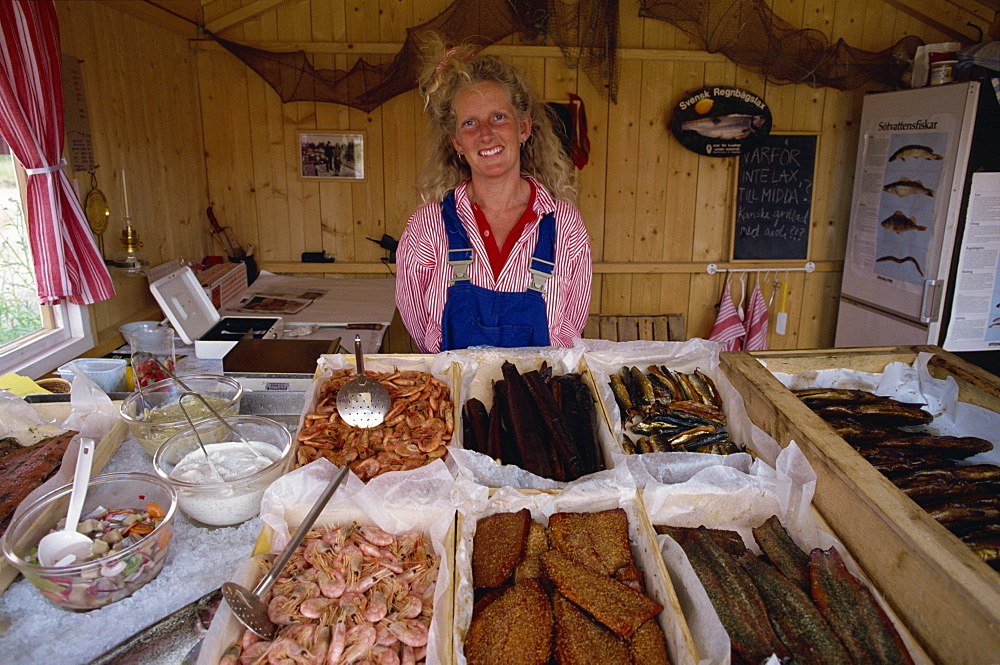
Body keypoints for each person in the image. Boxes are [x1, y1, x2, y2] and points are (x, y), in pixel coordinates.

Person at [395, 35, 592, 353]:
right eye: (470, 123)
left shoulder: (565, 226)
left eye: (499, 117)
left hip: (537, 399)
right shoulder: (427, 227)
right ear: (457, 142)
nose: (485, 134)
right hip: (454, 397)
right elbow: (419, 328)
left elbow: (571, 327)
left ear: (524, 127)